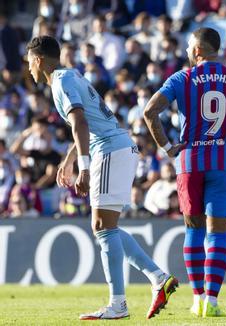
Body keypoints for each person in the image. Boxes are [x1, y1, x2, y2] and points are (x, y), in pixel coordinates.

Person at [25, 35, 177, 320]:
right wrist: (70, 158)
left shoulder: (61, 82)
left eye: (29, 62)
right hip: (117, 146)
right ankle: (158, 278)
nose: (28, 69)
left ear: (39, 60)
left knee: (101, 226)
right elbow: (87, 122)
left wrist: (83, 166)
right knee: (107, 227)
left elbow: (81, 122)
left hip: (110, 150)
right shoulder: (71, 76)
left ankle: (118, 304)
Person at [143, 27, 226, 317]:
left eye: (189, 47)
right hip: (223, 161)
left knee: (193, 229)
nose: (187, 52)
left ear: (198, 51)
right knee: (217, 235)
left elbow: (150, 111)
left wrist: (166, 147)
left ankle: (197, 298)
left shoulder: (181, 78)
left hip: (189, 161)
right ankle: (211, 302)